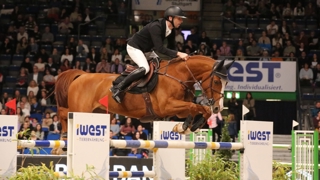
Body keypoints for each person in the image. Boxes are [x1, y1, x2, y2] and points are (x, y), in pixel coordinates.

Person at [110, 6, 189, 103]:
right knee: (145, 68)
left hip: (147, 50)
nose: (181, 21)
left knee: (161, 65)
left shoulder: (170, 30)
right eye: (179, 18)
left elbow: (172, 46)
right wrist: (179, 53)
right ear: (170, 18)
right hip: (134, 47)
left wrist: (178, 58)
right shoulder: (156, 27)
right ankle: (118, 88)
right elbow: (160, 48)